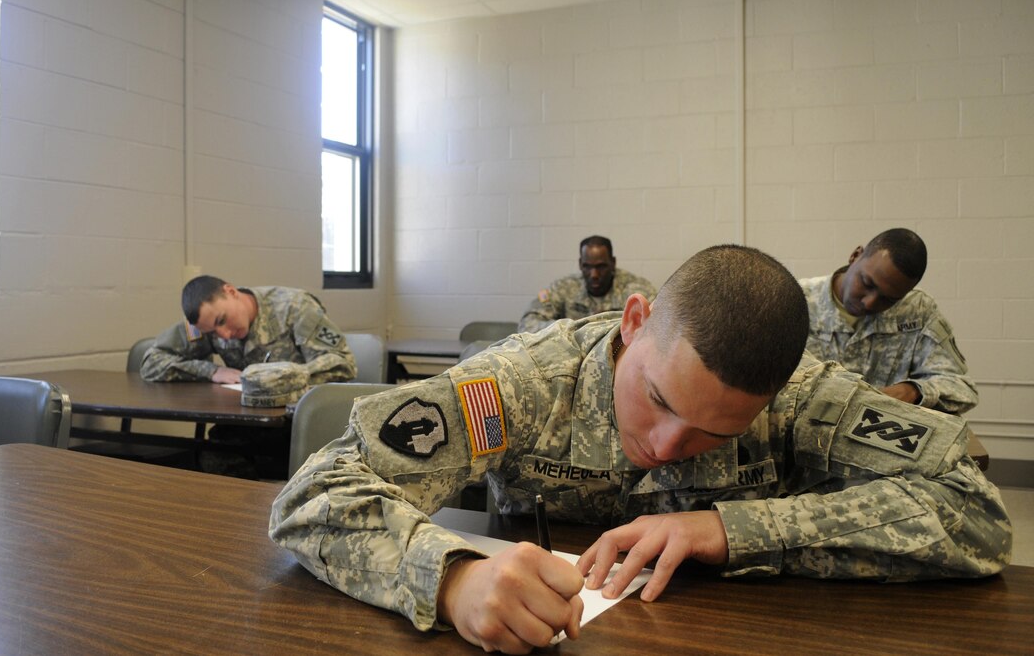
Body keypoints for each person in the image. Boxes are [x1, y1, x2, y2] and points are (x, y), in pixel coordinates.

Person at [270, 245, 1011, 653]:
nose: (664, 445)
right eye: (658, 400)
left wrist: (726, 531)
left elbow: (974, 511)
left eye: (712, 434)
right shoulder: (524, 382)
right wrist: (453, 576)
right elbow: (314, 493)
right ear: (633, 320)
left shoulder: (805, 395)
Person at [141, 275, 356, 478]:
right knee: (213, 456)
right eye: (213, 333)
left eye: (222, 320)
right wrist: (211, 371)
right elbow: (152, 362)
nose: (223, 335)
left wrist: (278, 380)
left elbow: (342, 363)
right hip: (250, 423)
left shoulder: (294, 306)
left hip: (299, 424)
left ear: (231, 291)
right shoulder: (205, 323)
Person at [800, 228, 978, 415]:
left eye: (889, 300)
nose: (869, 303)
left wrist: (913, 391)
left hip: (877, 437)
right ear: (855, 256)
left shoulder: (916, 310)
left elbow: (961, 388)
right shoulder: (795, 300)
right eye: (867, 283)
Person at [518, 235, 657, 334]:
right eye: (587, 266)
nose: (594, 274)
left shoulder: (636, 289)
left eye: (601, 267)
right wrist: (575, 327)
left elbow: (658, 327)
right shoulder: (565, 287)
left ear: (613, 263)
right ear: (580, 264)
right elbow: (528, 324)